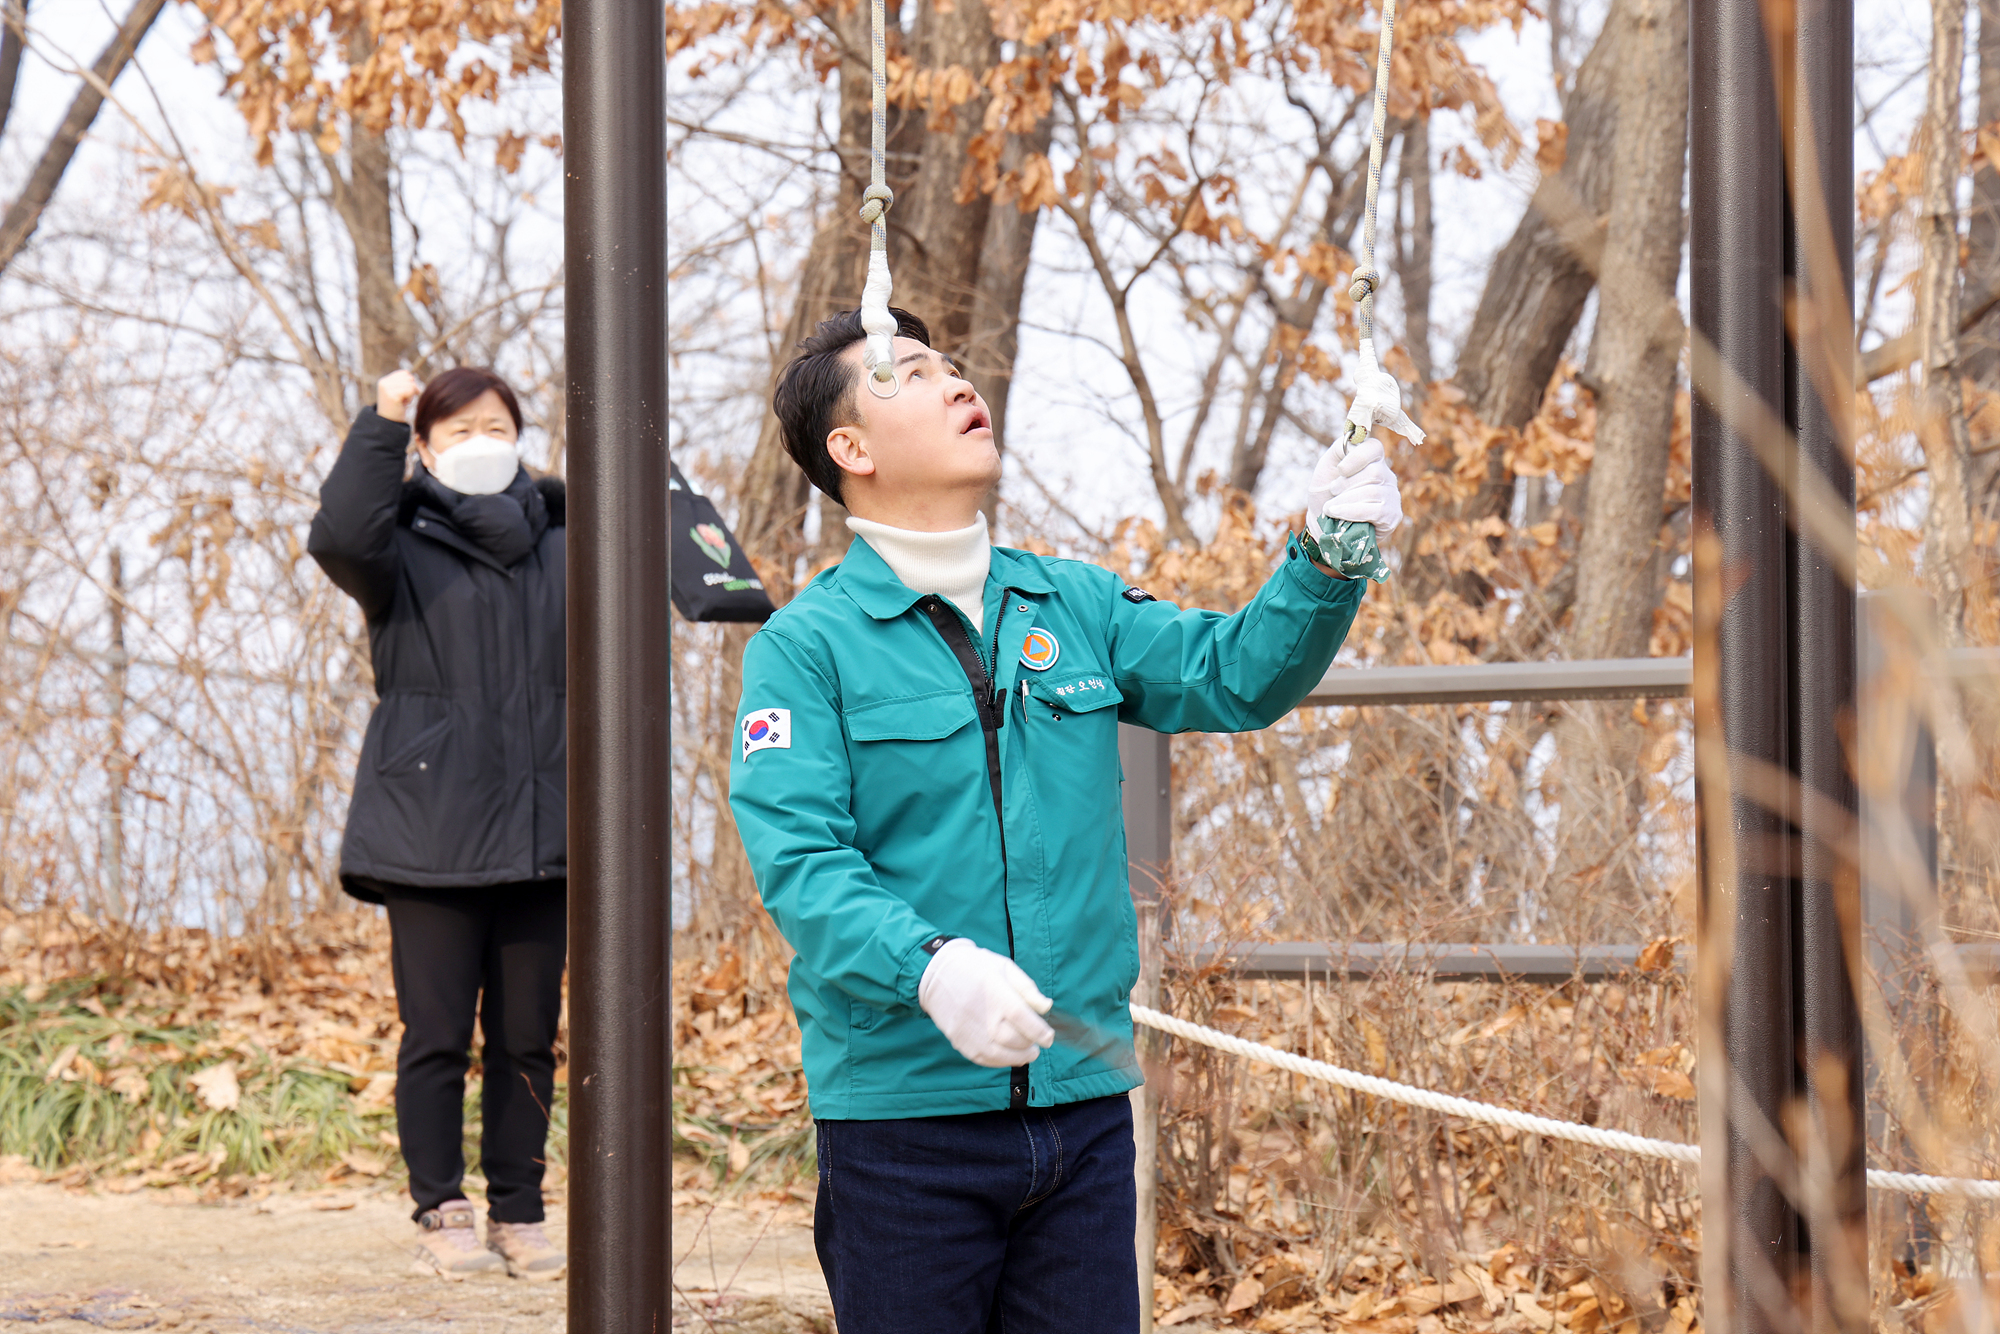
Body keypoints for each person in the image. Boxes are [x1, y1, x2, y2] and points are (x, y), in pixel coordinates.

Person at [728, 308, 1403, 1332]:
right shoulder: (804, 645)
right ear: (849, 449)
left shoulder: (1070, 602)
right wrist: (931, 966)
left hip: (1083, 1111)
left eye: (952, 364)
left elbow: (1231, 677)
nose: (956, 382)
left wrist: (1322, 559)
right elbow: (801, 862)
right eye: (908, 374)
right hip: (903, 1126)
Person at [308, 367, 569, 1282]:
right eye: (454, 431)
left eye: (494, 425)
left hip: (549, 830)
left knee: (529, 1036)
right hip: (430, 830)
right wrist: (381, 421)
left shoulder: (572, 538)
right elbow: (338, 532)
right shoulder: (396, 543)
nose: (478, 441)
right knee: (437, 1035)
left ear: (521, 436)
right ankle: (440, 1208)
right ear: (422, 449)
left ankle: (521, 1210)